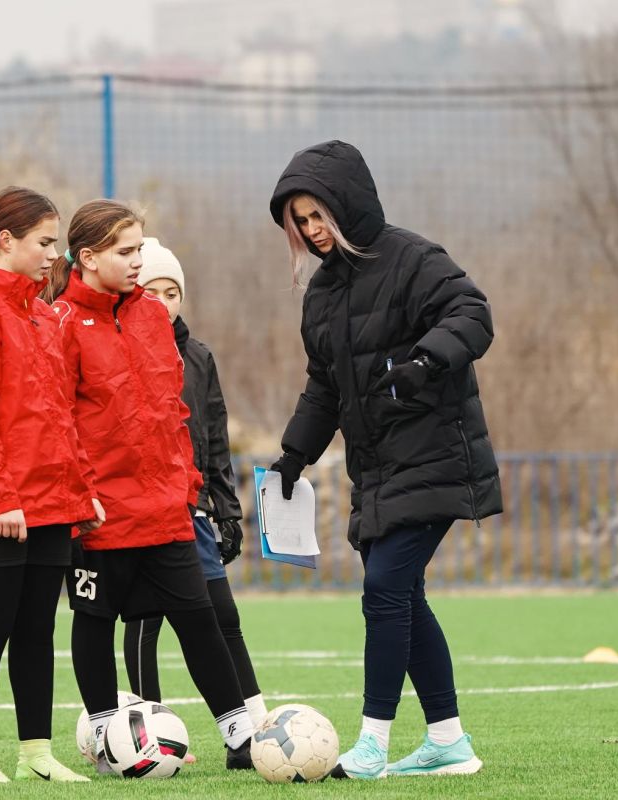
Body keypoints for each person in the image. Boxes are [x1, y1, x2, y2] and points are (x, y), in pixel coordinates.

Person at [268, 140, 501, 779]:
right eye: (301, 222)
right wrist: (294, 453)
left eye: (319, 215)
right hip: (375, 471)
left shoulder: (414, 260)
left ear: (348, 204)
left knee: (385, 589)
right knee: (403, 595)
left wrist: (426, 361)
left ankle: (371, 743)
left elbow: (473, 314)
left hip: (435, 456)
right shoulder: (321, 295)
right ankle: (449, 742)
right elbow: (324, 386)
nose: (313, 231)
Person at [45, 200, 255, 773]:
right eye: (126, 251)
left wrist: (186, 485)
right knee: (94, 623)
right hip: (99, 514)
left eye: (139, 248)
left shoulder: (151, 318)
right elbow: (57, 421)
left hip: (165, 509)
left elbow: (173, 412)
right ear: (88, 258)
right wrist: (80, 496)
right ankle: (106, 737)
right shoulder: (61, 323)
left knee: (199, 619)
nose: (138, 260)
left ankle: (241, 737)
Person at [0, 186, 104, 784]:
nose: (55, 255)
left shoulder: (42, 314)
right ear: (5, 240)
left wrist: (81, 490)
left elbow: (60, 414)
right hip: (0, 506)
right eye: (45, 243)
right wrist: (1, 498)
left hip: (52, 501)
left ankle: (37, 755)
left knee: (37, 631)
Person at [123, 238, 268, 734]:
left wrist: (226, 511)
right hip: (141, 510)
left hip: (193, 510)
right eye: (152, 292)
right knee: (144, 621)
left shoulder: (199, 357)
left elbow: (215, 439)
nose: (163, 303)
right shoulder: (121, 350)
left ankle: (253, 728)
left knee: (223, 615)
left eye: (172, 293)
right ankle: (145, 732)